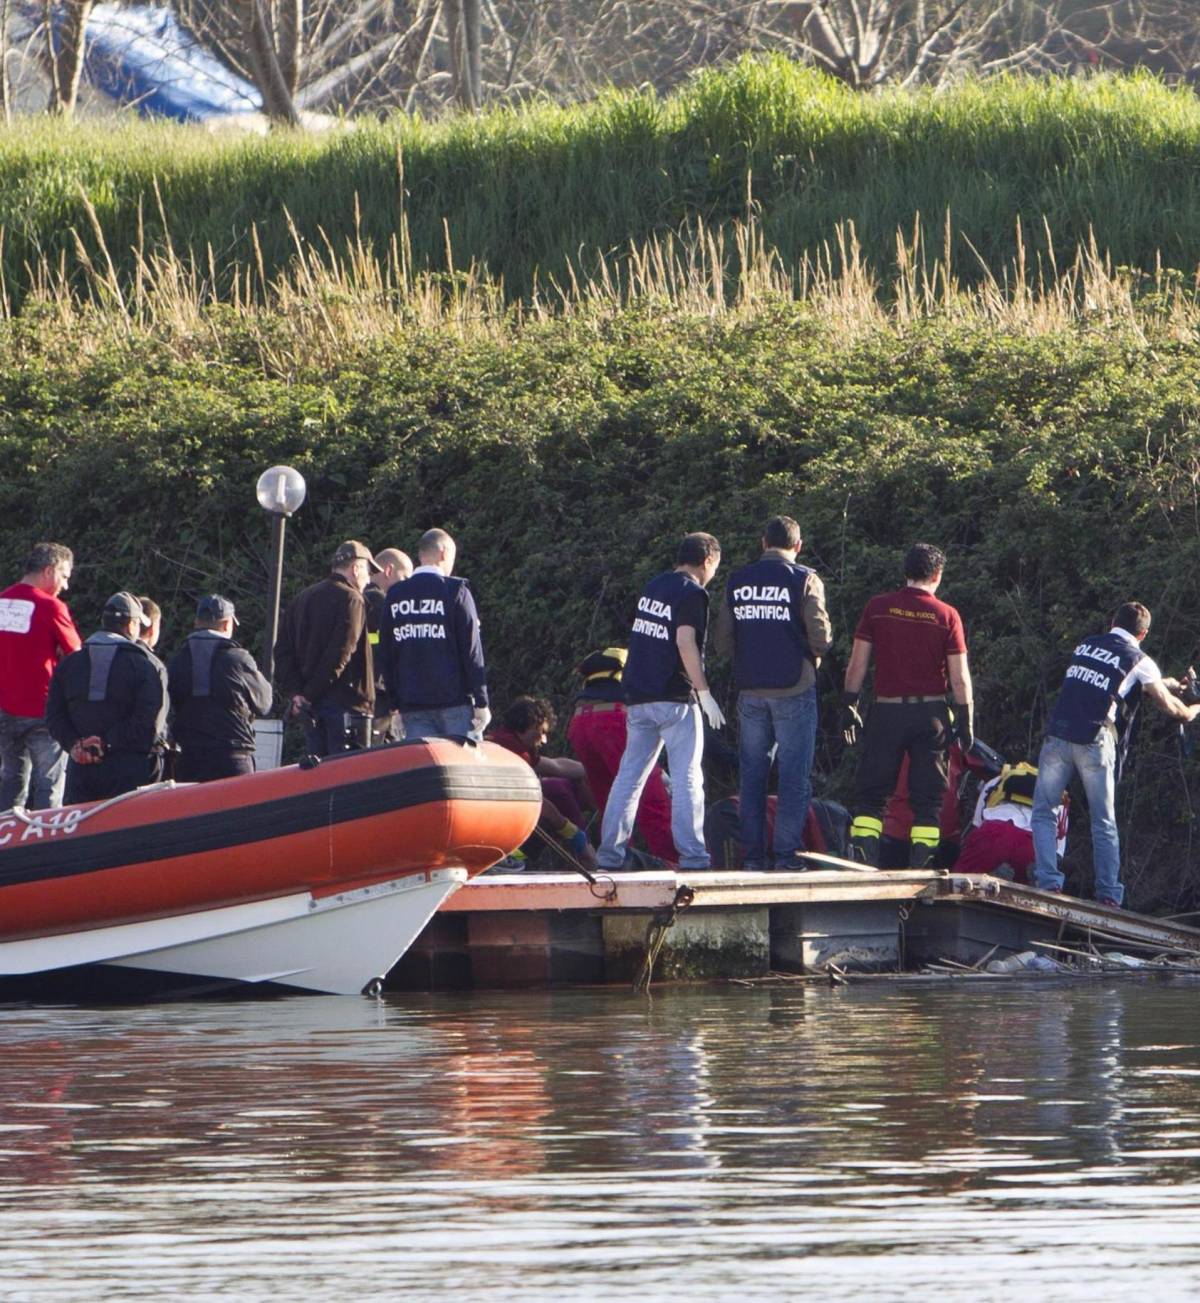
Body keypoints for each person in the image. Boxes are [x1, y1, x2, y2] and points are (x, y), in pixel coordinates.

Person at [1030, 601, 1200, 907]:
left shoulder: (1086, 645)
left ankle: (1049, 884)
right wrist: (1191, 710)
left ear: (1113, 621)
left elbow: (1115, 678)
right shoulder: (1140, 659)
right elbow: (1168, 705)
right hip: (1095, 740)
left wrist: (1171, 682)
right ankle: (1108, 895)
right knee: (1103, 821)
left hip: (1058, 734)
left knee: (1044, 812)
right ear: (1144, 633)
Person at [597, 532, 724, 872]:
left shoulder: (654, 586)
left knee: (629, 777)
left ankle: (609, 855)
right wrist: (704, 693)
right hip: (675, 698)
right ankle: (694, 857)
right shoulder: (693, 593)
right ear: (708, 560)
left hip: (638, 696)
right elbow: (685, 642)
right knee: (687, 779)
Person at [842, 543, 974, 868]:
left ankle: (864, 860)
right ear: (937, 575)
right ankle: (921, 868)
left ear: (906, 572)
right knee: (928, 799)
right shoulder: (947, 616)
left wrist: (849, 703)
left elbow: (857, 665)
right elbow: (959, 677)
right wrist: (966, 715)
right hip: (930, 715)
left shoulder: (878, 607)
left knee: (872, 795)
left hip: (886, 711)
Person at [715, 514, 832, 870]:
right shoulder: (805, 579)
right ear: (798, 546)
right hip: (795, 687)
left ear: (763, 543)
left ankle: (752, 858)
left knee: (752, 776)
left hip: (751, 690)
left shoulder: (738, 581)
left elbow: (722, 641)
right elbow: (822, 638)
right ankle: (786, 857)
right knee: (794, 776)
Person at [45, 591, 168, 803]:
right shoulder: (146, 666)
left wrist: (75, 744)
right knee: (127, 834)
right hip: (129, 769)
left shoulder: (69, 664)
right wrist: (107, 743)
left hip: (80, 768)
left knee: (81, 833)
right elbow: (149, 722)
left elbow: (54, 715)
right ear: (132, 625)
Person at [378, 528, 490, 742]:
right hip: (454, 702)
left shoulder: (395, 595)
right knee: (461, 769)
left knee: (424, 770)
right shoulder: (456, 591)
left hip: (411, 705)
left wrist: (394, 706)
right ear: (444, 554)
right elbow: (472, 650)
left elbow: (386, 654)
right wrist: (481, 701)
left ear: (420, 556)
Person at [567, 647, 676, 863]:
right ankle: (673, 864)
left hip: (580, 722)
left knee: (609, 801)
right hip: (613, 722)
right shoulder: (640, 662)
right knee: (651, 799)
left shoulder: (596, 674)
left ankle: (619, 862)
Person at [274, 540, 378, 757]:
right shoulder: (352, 599)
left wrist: (297, 694)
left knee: (319, 778)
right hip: (346, 707)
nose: (369, 580)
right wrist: (308, 694)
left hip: (310, 708)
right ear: (355, 568)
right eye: (368, 571)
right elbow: (341, 653)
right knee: (348, 780)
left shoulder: (301, 599)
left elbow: (282, 651)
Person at [0, 542, 81, 810]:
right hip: (42, 710)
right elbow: (77, 655)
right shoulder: (51, 607)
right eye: (65, 576)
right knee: (49, 784)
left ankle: (7, 844)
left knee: (10, 782)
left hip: (4, 709)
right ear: (49, 570)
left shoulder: (2, 601)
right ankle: (47, 845)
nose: (65, 586)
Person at [167, 595, 273, 782]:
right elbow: (264, 703)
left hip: (190, 758)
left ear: (197, 622)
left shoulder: (177, 660)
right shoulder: (238, 659)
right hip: (233, 758)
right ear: (226, 624)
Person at [489, 696, 599, 870]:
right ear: (531, 726)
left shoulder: (504, 741)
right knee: (550, 822)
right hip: (494, 820)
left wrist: (599, 770)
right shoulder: (515, 754)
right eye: (542, 731)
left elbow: (555, 765)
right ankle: (503, 857)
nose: (544, 739)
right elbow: (536, 800)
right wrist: (571, 831)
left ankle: (510, 857)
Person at [956, 762, 1067, 884]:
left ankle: (989, 872)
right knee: (1032, 888)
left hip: (993, 833)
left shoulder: (997, 780)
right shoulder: (1059, 797)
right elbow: (1057, 852)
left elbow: (978, 823)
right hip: (1034, 844)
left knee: (960, 881)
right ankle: (1029, 880)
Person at [364, 548, 413, 744]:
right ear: (389, 570)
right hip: (378, 693)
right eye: (404, 579)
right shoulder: (379, 602)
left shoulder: (357, 598)